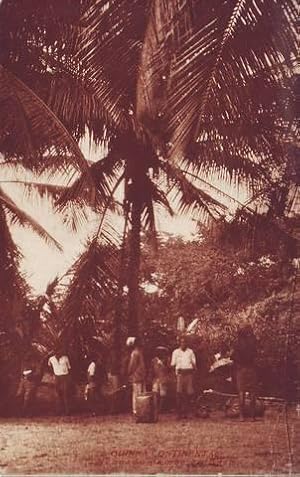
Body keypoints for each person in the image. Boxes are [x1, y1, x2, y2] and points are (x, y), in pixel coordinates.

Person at [232, 325, 257, 421]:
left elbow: (233, 357)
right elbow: (256, 355)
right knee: (252, 392)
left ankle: (241, 416)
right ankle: (253, 416)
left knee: (241, 392)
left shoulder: (237, 343)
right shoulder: (252, 343)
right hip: (251, 368)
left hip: (241, 369)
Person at [171, 336, 196, 419]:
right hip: (180, 374)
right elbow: (173, 364)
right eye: (181, 342)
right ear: (179, 343)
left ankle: (187, 412)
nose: (183, 344)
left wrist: (193, 368)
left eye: (184, 342)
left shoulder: (190, 352)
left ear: (187, 343)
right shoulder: (175, 352)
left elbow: (194, 364)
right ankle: (179, 413)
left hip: (188, 373)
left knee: (189, 394)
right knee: (179, 393)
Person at [48, 347, 71, 415]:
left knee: (65, 393)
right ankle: (58, 411)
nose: (59, 353)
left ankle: (67, 411)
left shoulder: (65, 358)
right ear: (54, 352)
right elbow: (49, 366)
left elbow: (69, 368)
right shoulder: (51, 359)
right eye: (57, 351)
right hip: (57, 377)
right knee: (58, 394)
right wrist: (53, 374)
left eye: (60, 351)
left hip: (65, 377)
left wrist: (68, 378)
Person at [16, 352, 41, 416]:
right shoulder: (24, 363)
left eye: (28, 356)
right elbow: (21, 372)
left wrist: (31, 375)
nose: (27, 357)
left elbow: (38, 373)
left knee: (28, 397)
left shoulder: (36, 363)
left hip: (31, 382)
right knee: (19, 395)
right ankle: (19, 412)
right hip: (23, 381)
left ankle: (26, 413)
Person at [127, 337, 146, 416]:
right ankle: (139, 409)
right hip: (140, 375)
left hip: (137, 375)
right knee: (139, 392)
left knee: (136, 393)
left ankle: (136, 410)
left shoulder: (135, 353)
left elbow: (132, 365)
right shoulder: (139, 352)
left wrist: (129, 372)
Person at [151, 347, 169, 412]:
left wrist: (162, 365)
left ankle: (160, 409)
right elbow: (152, 370)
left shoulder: (166, 360)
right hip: (156, 378)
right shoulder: (153, 360)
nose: (160, 353)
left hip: (163, 378)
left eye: (162, 352)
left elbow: (168, 369)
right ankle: (155, 408)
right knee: (155, 393)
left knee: (163, 395)